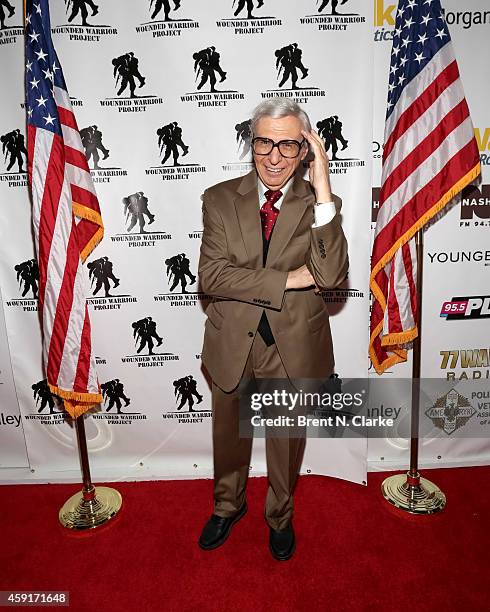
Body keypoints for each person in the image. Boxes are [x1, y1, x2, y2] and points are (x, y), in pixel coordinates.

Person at [198, 98, 348, 560]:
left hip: (293, 344)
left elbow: (332, 276)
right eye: (265, 141)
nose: (275, 155)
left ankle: (280, 516)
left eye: (288, 144)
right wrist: (288, 278)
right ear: (252, 142)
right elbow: (212, 277)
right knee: (229, 435)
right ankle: (228, 505)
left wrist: (322, 188)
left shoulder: (323, 206)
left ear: (305, 150)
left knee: (285, 441)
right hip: (232, 339)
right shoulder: (220, 198)